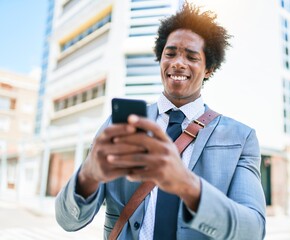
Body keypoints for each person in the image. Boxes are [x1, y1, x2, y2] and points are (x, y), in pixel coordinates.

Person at [55, 2, 266, 240]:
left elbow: (253, 231)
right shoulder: (119, 125)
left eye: (192, 56)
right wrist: (88, 176)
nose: (178, 62)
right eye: (171, 53)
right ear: (160, 59)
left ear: (209, 69)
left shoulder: (241, 138)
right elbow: (67, 221)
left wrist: (186, 184)